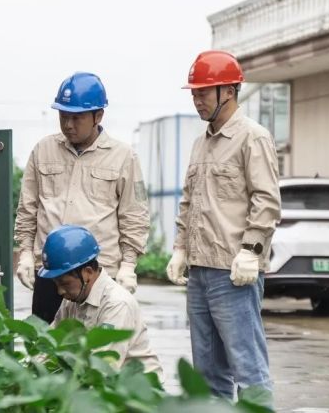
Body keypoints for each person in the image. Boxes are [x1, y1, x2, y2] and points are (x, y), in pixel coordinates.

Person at [166, 50, 281, 405]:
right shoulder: (201, 144)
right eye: (194, 93)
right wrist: (180, 248)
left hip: (234, 273)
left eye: (203, 92)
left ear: (228, 91)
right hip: (200, 271)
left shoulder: (253, 138)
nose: (197, 100)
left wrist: (251, 251)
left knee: (248, 366)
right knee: (208, 374)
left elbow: (266, 200)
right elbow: (189, 201)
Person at [14, 72, 149, 323]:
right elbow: (27, 210)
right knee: (44, 344)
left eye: (76, 117)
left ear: (98, 116)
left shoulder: (123, 157)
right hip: (51, 274)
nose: (68, 124)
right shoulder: (43, 151)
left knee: (97, 346)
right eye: (63, 116)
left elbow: (134, 216)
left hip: (96, 277)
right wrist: (25, 253)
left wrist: (128, 265)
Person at [39, 224, 163, 377]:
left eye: (65, 284)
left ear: (87, 272)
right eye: (56, 284)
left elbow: (104, 366)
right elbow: (51, 343)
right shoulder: (71, 299)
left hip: (136, 386)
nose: (60, 291)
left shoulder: (117, 304)